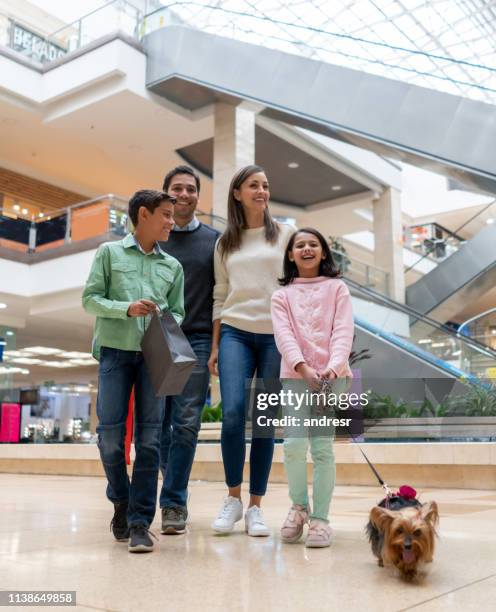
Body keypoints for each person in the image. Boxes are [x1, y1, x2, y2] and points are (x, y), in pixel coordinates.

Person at [82, 190, 184, 553]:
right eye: (167, 215)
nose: (173, 221)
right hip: (114, 353)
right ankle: (121, 501)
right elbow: (90, 298)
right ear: (144, 214)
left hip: (154, 356)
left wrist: (164, 317)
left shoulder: (172, 266)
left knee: (151, 440)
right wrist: (127, 309)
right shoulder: (109, 253)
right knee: (109, 437)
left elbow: (179, 312)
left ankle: (140, 522)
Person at [209, 164, 294, 536]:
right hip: (235, 333)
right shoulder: (225, 243)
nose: (262, 190)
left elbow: (297, 288)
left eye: (266, 185)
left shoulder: (287, 235)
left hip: (276, 336)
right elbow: (218, 296)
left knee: (263, 422)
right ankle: (232, 499)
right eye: (254, 185)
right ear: (237, 193)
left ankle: (256, 506)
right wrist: (215, 346)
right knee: (231, 415)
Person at [271, 228, 354, 548]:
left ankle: (320, 519)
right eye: (299, 245)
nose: (306, 249)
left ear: (323, 253)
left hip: (334, 378)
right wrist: (303, 369)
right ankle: (299, 507)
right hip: (295, 378)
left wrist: (332, 370)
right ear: (290, 255)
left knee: (321, 449)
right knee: (292, 445)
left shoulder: (338, 288)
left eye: (313, 244)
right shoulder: (281, 296)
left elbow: (343, 330)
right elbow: (284, 336)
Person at [158, 165, 220, 534]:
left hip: (196, 339)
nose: (184, 195)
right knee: (158, 427)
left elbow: (220, 298)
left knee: (185, 424)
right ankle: (172, 485)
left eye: (191, 189)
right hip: (157, 338)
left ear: (198, 196)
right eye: (177, 189)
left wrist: (215, 346)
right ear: (166, 193)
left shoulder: (215, 240)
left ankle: (173, 503)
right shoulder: (153, 238)